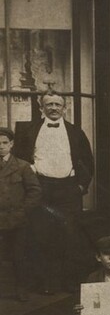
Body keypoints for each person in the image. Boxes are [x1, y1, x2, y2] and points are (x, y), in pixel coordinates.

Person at [14, 91, 94, 293]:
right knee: (40, 236)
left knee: (70, 235)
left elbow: (88, 162)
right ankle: (45, 283)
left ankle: (68, 282)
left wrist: (80, 186)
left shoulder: (76, 132)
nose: (54, 108)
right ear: (42, 108)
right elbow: (19, 159)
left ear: (64, 108)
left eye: (58, 104)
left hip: (68, 189)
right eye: (49, 104)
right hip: (40, 188)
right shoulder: (29, 130)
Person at [0, 127, 41, 301]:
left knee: (19, 256)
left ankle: (21, 289)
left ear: (11, 144)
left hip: (17, 220)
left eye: (4, 143)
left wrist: (22, 212)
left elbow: (35, 192)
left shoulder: (22, 166)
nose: (0, 146)